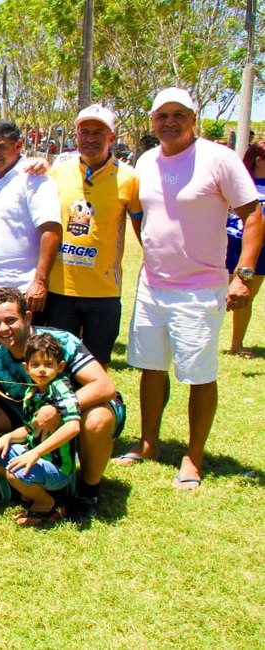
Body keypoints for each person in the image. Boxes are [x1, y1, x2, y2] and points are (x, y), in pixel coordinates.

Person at [118, 88, 263, 491]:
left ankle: (193, 456)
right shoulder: (146, 161)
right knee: (150, 366)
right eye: (162, 116)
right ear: (152, 121)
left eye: (178, 114)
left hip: (199, 288)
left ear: (193, 118)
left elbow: (252, 216)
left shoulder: (219, 159)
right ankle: (149, 443)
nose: (169, 122)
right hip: (152, 284)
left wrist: (243, 273)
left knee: (199, 374)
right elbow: (141, 216)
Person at [0, 288, 123, 522]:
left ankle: (87, 493)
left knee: (97, 419)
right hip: (33, 426)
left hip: (82, 414)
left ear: (28, 317)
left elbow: (104, 386)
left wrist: (58, 409)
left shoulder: (61, 342)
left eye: (11, 320)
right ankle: (44, 484)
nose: (3, 329)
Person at [44, 105, 142, 366]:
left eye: (98, 132)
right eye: (84, 131)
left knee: (97, 367)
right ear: (76, 135)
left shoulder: (129, 178)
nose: (90, 138)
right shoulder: (57, 172)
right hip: (59, 290)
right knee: (56, 366)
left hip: (104, 292)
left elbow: (143, 230)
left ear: (112, 137)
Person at [0, 333, 80, 526]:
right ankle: (28, 488)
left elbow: (73, 427)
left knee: (16, 473)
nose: (42, 370)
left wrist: (36, 453)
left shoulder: (60, 388)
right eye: (35, 365)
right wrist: (6, 438)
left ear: (61, 366)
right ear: (26, 367)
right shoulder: (31, 391)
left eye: (49, 365)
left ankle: (46, 502)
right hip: (32, 452)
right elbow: (28, 428)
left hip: (57, 465)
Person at [0, 120, 61, 313]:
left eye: (0, 147)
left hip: (25, 289)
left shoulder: (34, 179)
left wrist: (39, 282)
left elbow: (51, 231)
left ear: (19, 145)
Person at [224, 140, 265, 357]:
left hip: (260, 251)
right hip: (230, 245)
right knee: (217, 293)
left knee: (246, 296)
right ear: (259, 160)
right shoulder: (241, 181)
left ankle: (236, 344)